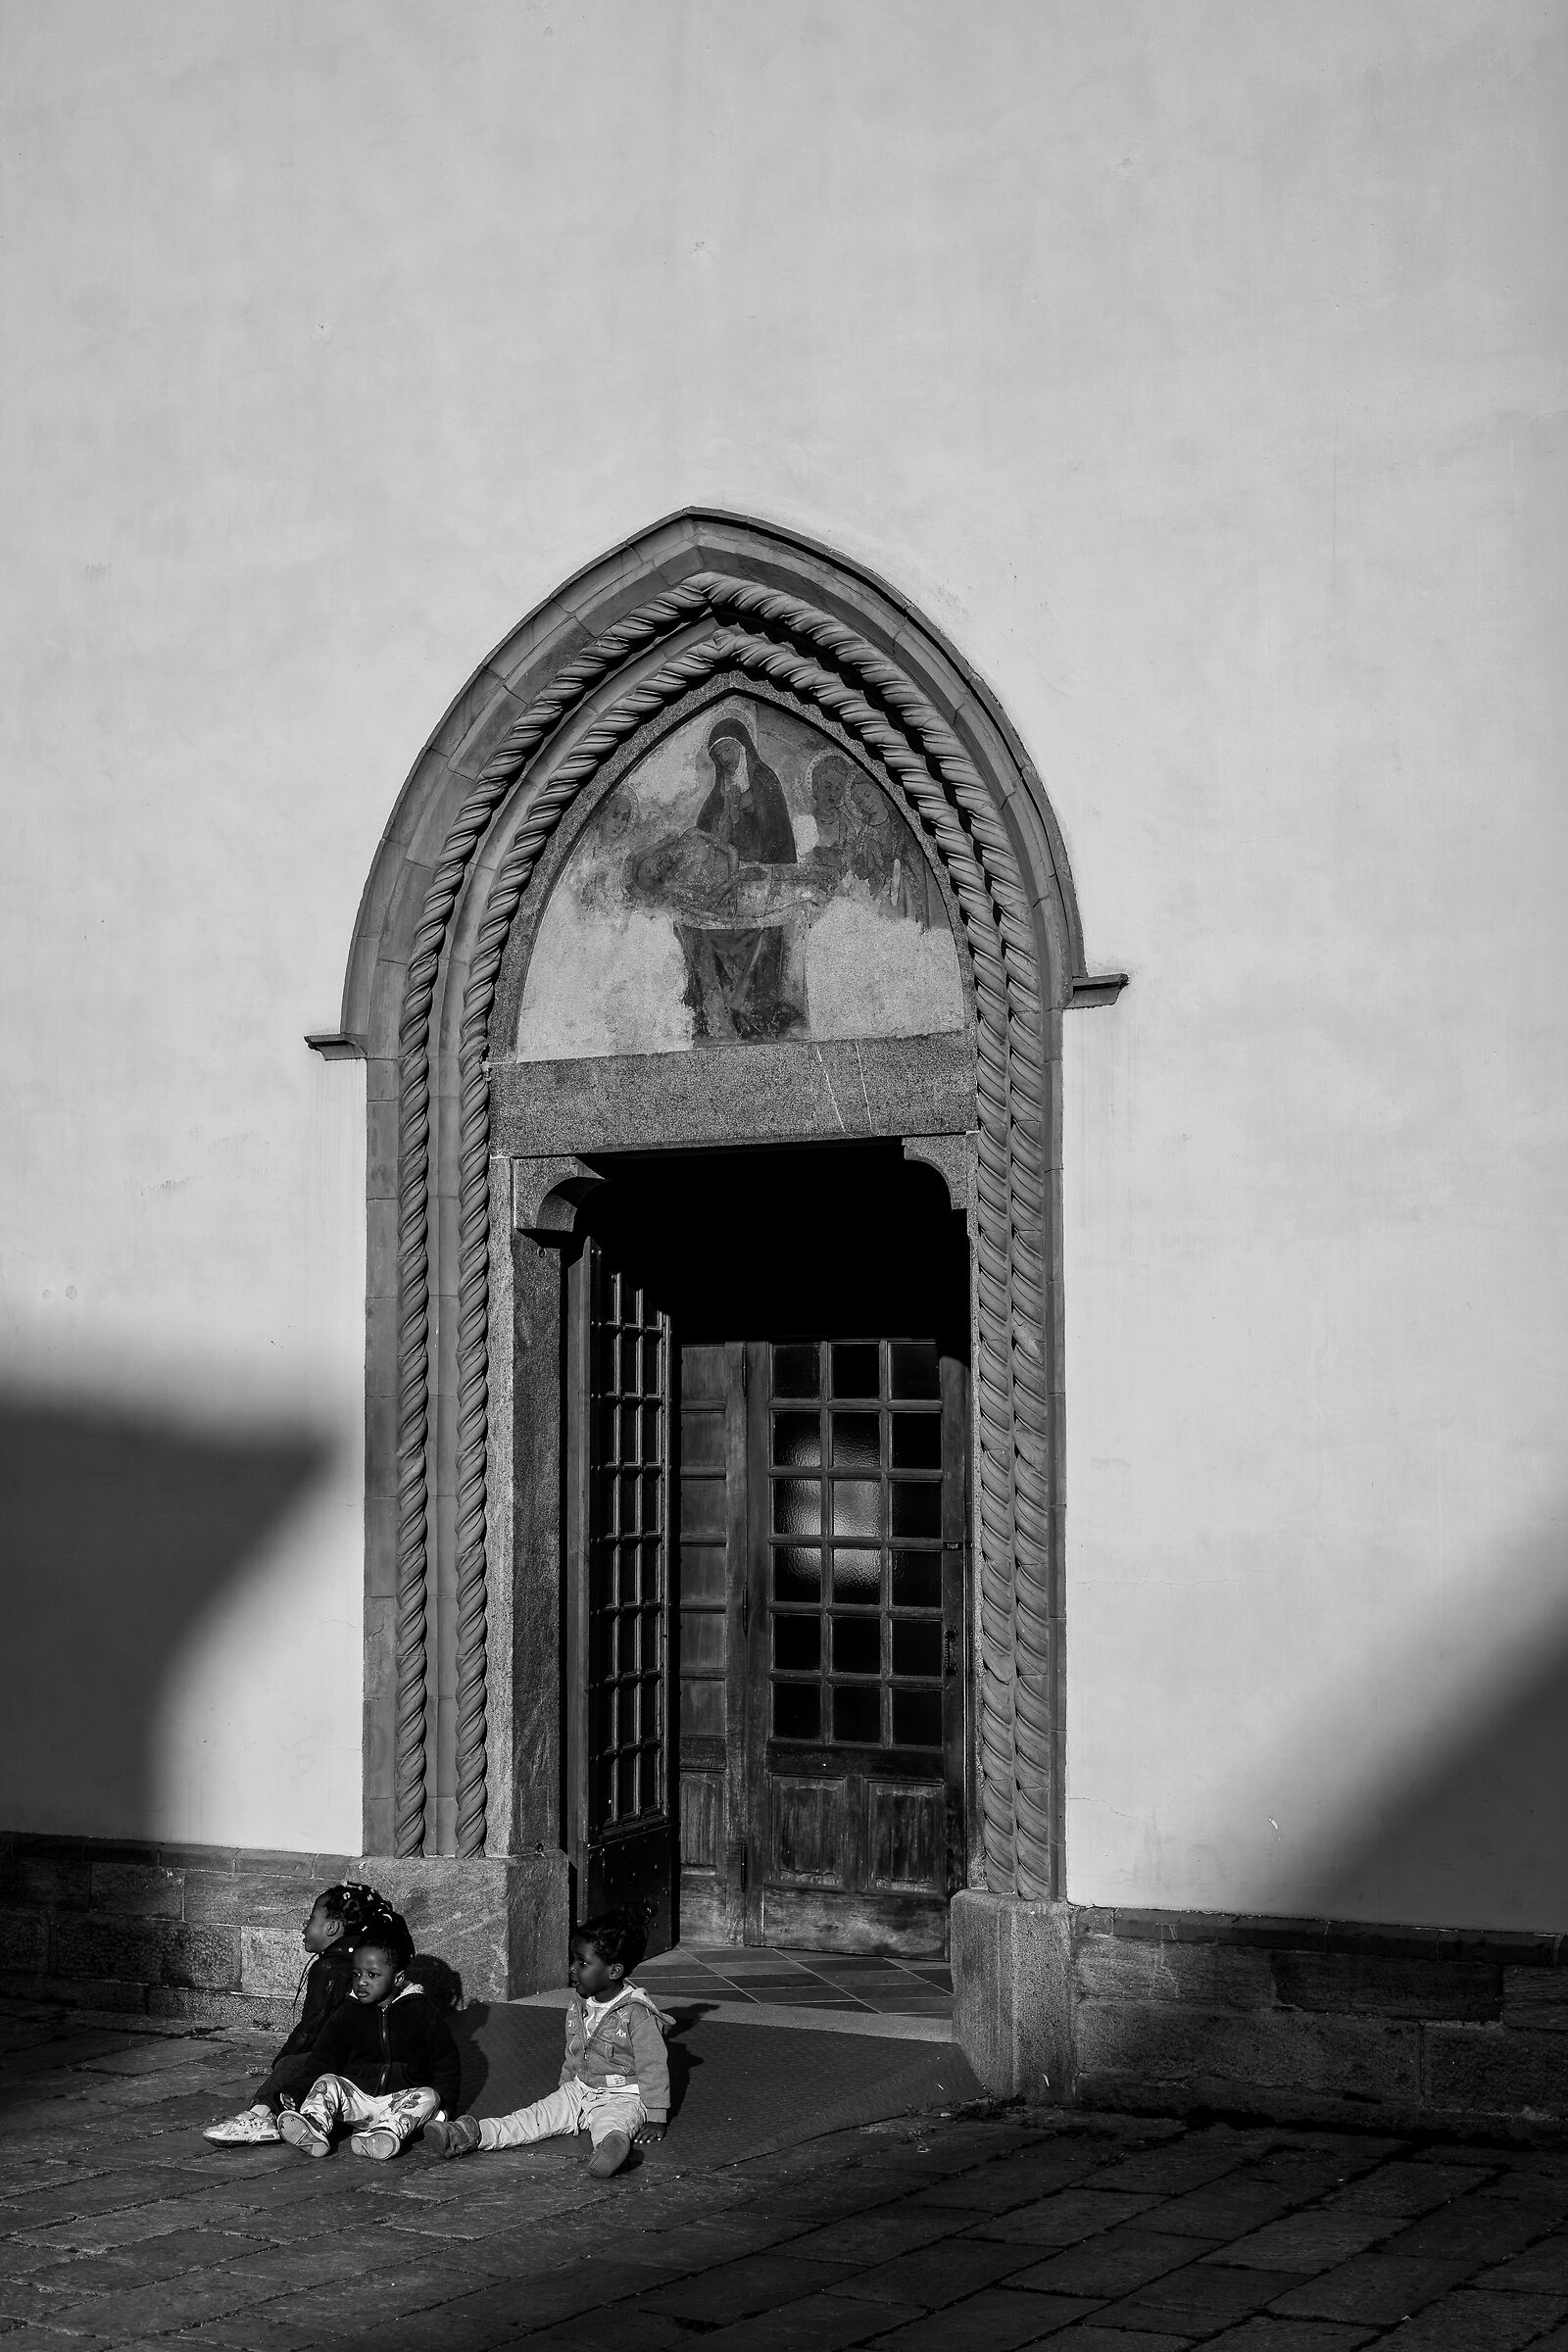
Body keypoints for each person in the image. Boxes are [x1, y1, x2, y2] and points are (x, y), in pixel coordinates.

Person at [426, 1904, 671, 2180]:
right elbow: (574, 2051)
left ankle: (610, 2152)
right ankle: (469, 2134)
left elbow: (654, 2066)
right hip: (578, 2089)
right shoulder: (580, 2002)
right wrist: (564, 2089)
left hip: (623, 2097)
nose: (573, 1968)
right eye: (574, 1959)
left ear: (614, 1971)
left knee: (610, 2124)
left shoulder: (637, 2013)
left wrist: (656, 2117)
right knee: (533, 2116)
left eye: (583, 1962)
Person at [202, 1881, 397, 2145]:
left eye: (311, 1919)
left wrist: (282, 2061)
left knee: (293, 2064)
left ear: (332, 1927)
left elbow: (313, 2027)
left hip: (355, 2066)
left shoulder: (331, 1968)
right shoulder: (365, 1962)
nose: (304, 1928)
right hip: (375, 2066)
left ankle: (260, 2117)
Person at [274, 1912, 461, 2161]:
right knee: (327, 2081)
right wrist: (297, 2090)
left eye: (372, 1975)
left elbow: (445, 2063)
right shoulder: (347, 2012)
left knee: (429, 2096)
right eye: (356, 1974)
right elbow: (323, 2058)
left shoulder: (421, 2012)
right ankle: (314, 2124)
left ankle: (385, 2134)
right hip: (358, 2099)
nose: (361, 1982)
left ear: (397, 1978)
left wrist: (445, 2108)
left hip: (400, 2102)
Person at [693, 719, 797, 866]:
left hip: (763, 861)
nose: (724, 759)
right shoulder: (721, 788)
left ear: (742, 746)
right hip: (725, 861)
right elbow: (705, 825)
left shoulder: (764, 778)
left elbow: (776, 830)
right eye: (718, 754)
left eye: (727, 749)